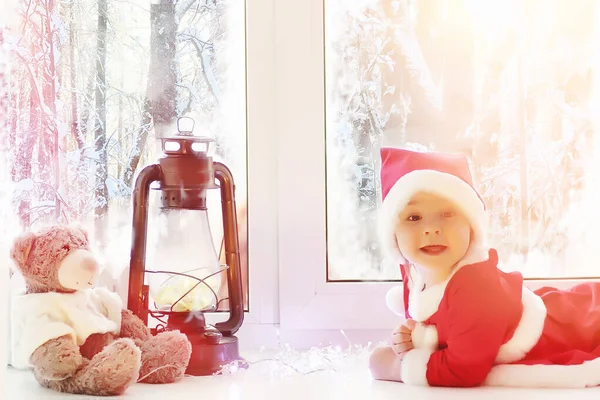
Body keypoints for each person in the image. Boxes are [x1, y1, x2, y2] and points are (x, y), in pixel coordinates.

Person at [368, 147, 600, 388]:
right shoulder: (417, 275)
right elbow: (440, 329)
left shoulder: (475, 287)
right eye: (414, 218)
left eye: (447, 213)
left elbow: (463, 370)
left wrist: (398, 367)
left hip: (578, 325)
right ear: (393, 234)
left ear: (472, 225)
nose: (431, 229)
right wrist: (413, 338)